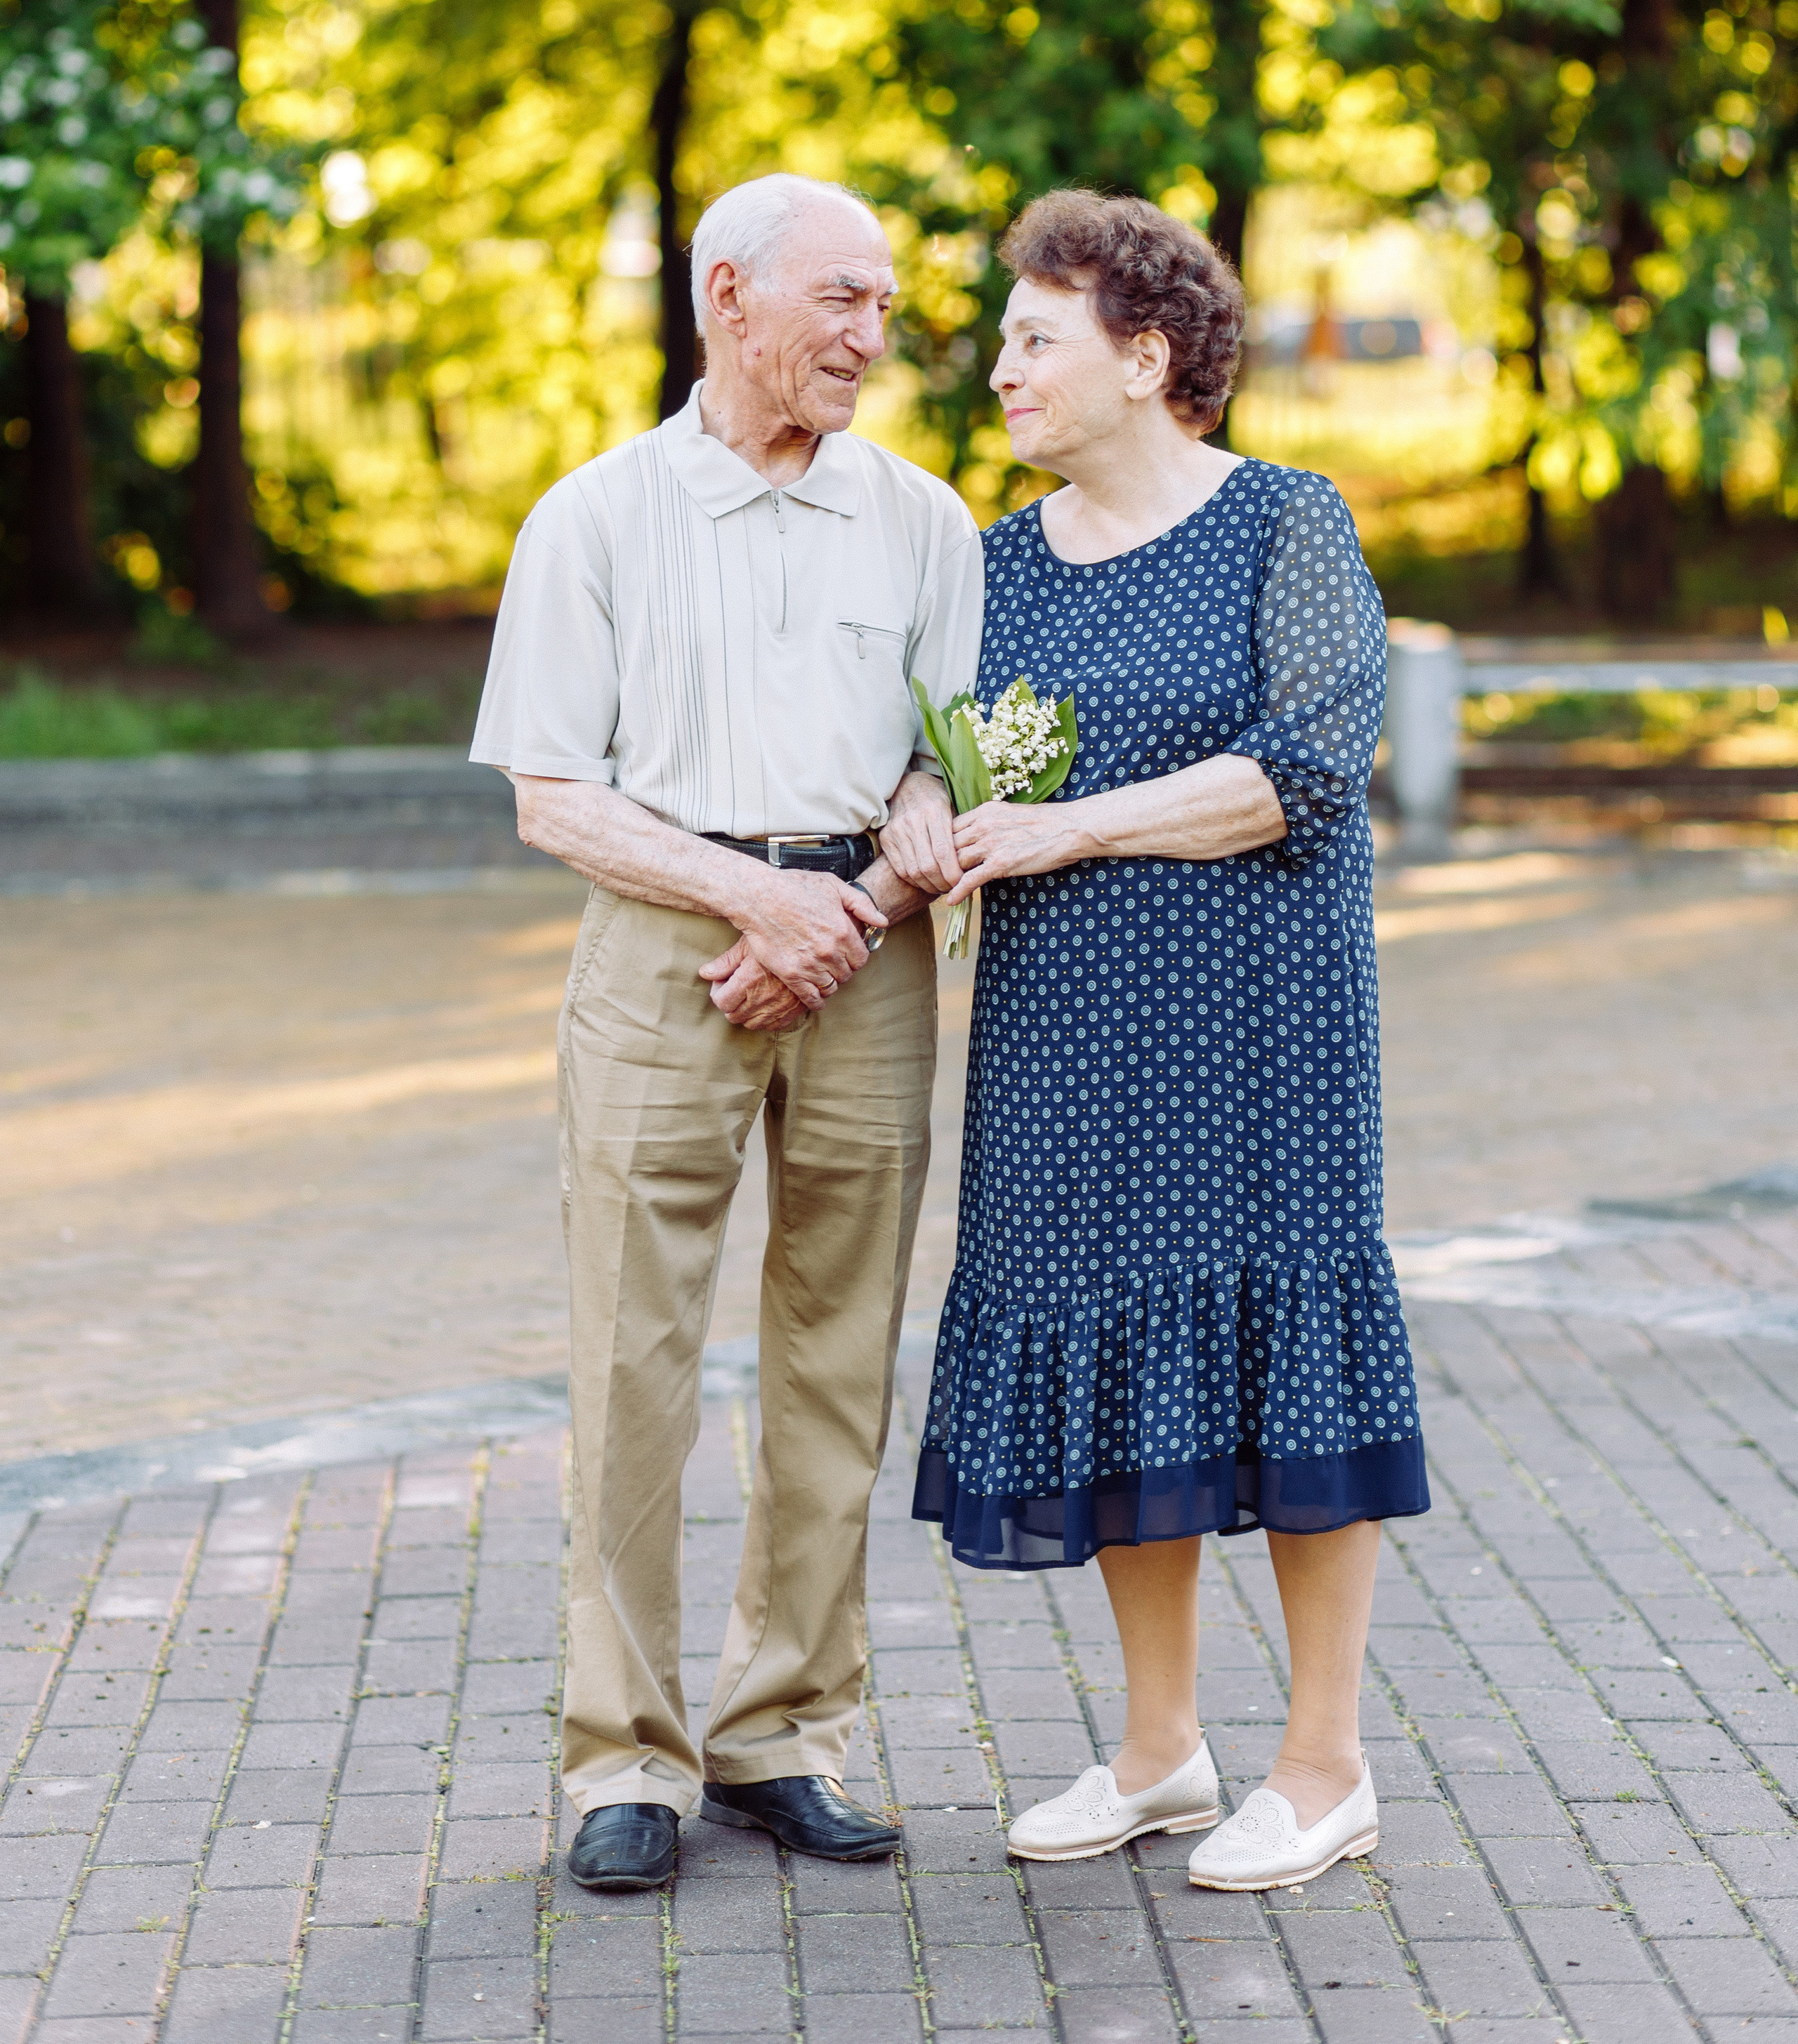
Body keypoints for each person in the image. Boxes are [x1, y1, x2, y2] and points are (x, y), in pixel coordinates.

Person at [912, 188, 1428, 1894]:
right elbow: (930, 754)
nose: (1000, 371)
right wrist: (926, 813)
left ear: (1143, 357)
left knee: (1285, 1344)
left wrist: (1062, 828)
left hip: (1257, 1031)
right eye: (1002, 342)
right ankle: (1156, 1751)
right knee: (1125, 1352)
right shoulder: (992, 563)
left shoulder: (1284, 523)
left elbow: (1301, 767)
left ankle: (1323, 1761)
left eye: (1031, 339)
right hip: (1063, 1033)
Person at [471, 173, 973, 1895]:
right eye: (841, 298)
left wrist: (846, 909)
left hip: (868, 957)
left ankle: (787, 1736)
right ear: (729, 294)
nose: (870, 334)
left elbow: (944, 771)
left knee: (839, 1362)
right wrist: (751, 905)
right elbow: (553, 796)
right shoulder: (594, 517)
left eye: (887, 304)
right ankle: (624, 1758)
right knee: (631, 1363)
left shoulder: (923, 520)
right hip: (660, 958)